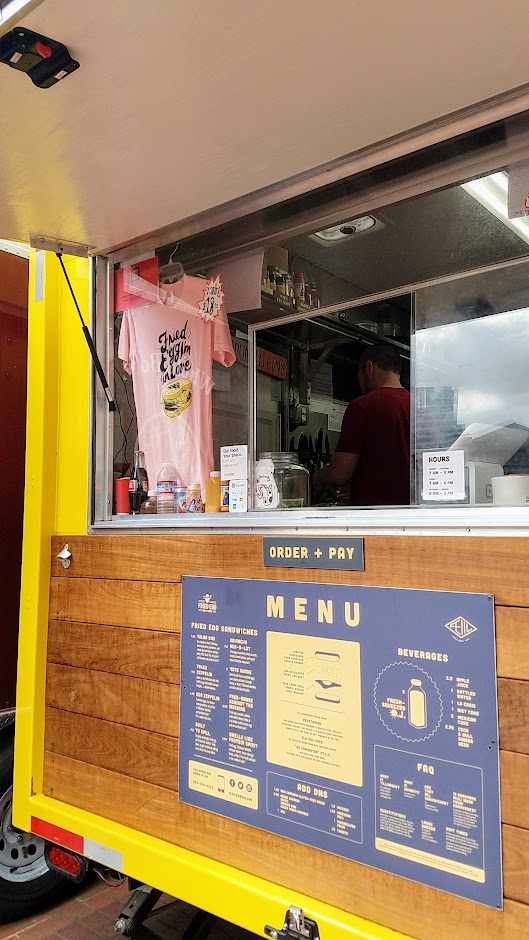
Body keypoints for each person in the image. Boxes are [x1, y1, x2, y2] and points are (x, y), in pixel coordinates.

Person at [313, 343, 410, 506]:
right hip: (416, 516)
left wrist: (318, 476)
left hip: (373, 518)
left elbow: (339, 475)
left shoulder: (362, 407)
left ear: (369, 368)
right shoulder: (422, 409)